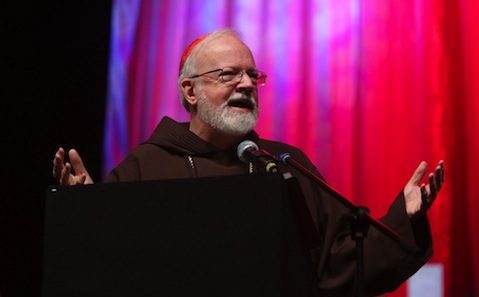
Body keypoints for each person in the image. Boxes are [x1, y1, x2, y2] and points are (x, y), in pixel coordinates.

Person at [52, 29, 445, 296]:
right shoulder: (146, 167)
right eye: (229, 75)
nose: (245, 84)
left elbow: (337, 264)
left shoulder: (283, 164)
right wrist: (89, 214)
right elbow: (116, 269)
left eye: (252, 76)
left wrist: (403, 217)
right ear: (190, 91)